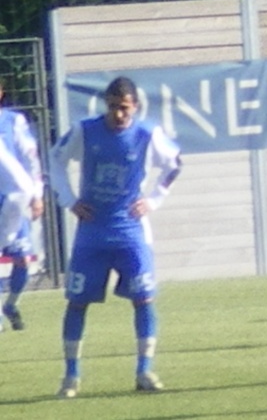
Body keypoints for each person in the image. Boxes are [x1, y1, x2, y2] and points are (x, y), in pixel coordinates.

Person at [49, 76, 182, 398]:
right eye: (112, 107)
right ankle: (71, 377)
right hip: (92, 234)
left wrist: (153, 200)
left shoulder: (147, 135)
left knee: (144, 299)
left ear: (135, 106)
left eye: (123, 108)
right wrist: (69, 200)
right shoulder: (86, 130)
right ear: (105, 105)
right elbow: (55, 159)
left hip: (131, 233)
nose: (118, 115)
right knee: (77, 302)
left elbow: (174, 164)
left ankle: (144, 371)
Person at [0, 80, 45, 332]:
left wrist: (37, 195)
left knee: (22, 259)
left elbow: (31, 158)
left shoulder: (13, 122)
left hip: (13, 199)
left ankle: (11, 304)